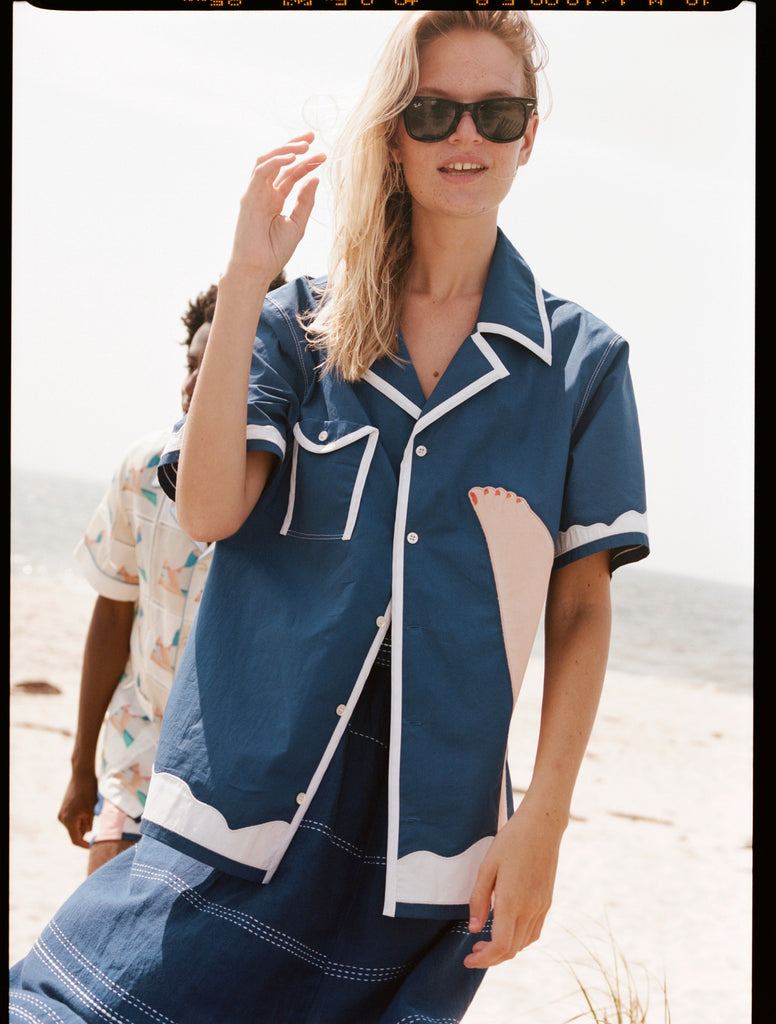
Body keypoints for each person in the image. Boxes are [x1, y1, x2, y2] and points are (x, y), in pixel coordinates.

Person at [9, 12, 649, 1023]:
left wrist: (542, 828)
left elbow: (577, 611)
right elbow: (213, 509)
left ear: (530, 133)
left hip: (423, 862)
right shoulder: (290, 327)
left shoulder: (582, 366)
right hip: (232, 821)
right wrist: (246, 272)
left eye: (496, 112)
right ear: (393, 132)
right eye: (433, 111)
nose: (464, 137)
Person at [56, 279, 285, 874]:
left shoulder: (295, 493)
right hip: (136, 750)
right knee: (100, 901)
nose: (193, 385)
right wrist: (82, 768)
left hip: (231, 769)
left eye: (220, 366)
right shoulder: (140, 469)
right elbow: (112, 614)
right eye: (191, 364)